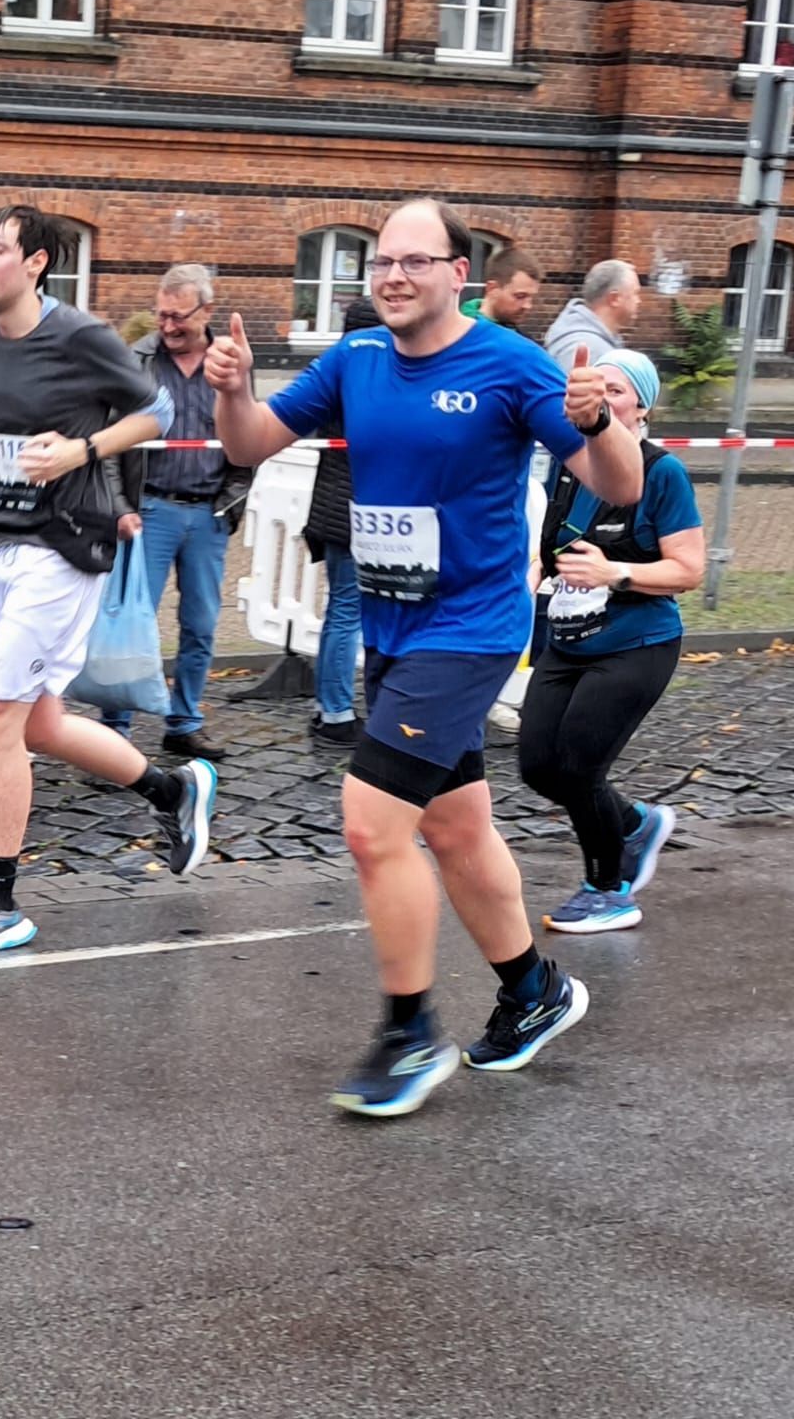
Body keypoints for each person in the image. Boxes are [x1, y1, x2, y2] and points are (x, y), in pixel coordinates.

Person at [206, 197, 643, 1118]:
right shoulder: (357, 357)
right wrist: (233, 390)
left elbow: (621, 485)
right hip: (393, 629)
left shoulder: (512, 364)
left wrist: (599, 424)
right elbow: (248, 444)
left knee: (373, 826)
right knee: (455, 829)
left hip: (471, 630)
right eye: (382, 262)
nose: (394, 276)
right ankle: (534, 991)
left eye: (415, 261)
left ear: (459, 275)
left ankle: (409, 1033)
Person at [0, 206, 216, 957]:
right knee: (41, 724)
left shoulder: (81, 334)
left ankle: (0, 903)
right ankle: (173, 790)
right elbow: (8, 420)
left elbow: (156, 411)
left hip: (63, 549)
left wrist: (82, 451)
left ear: (36, 263)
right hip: (6, 541)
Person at [519, 349, 704, 931]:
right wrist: (529, 578)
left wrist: (615, 572)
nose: (600, 396)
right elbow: (552, 551)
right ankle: (635, 824)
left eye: (616, 390)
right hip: (568, 638)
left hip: (637, 643)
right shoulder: (570, 463)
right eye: (594, 385)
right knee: (537, 766)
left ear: (642, 408)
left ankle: (609, 889)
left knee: (578, 767)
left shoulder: (662, 472)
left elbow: (689, 569)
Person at [110, 263, 250, 764]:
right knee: (130, 623)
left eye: (178, 317)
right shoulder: (138, 360)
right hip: (148, 510)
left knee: (201, 625)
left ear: (206, 311)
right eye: (161, 315)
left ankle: (184, 722)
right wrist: (120, 506)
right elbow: (109, 440)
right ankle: (114, 731)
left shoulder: (229, 362)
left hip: (209, 512)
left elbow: (247, 431)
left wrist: (231, 501)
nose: (167, 326)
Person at [302, 296, 382, 746]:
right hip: (354, 511)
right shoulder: (365, 381)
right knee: (347, 611)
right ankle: (335, 711)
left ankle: (328, 706)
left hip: (334, 507)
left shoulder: (335, 374)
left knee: (342, 609)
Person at [544, 259, 643, 371]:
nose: (639, 301)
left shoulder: (594, 341)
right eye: (635, 293)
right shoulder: (588, 349)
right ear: (614, 299)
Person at [459, 247, 543, 331]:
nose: (527, 306)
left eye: (531, 298)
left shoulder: (518, 336)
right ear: (492, 289)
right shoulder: (460, 332)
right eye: (520, 296)